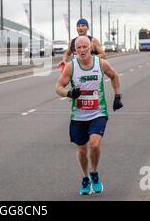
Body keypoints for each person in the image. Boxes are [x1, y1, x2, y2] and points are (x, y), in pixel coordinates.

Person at [56, 36, 123, 195]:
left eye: (85, 47)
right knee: (81, 151)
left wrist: (117, 96)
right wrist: (69, 93)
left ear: (90, 48)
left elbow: (114, 75)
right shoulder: (71, 67)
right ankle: (85, 177)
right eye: (78, 48)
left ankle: (94, 173)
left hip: (98, 113)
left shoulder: (101, 64)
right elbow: (58, 87)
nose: (82, 50)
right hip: (78, 116)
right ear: (74, 51)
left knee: (94, 144)